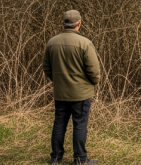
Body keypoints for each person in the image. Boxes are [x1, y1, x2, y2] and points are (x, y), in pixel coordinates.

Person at [43, 10, 101, 165]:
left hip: (61, 92)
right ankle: (80, 159)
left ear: (63, 24)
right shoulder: (85, 43)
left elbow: (47, 68)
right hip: (81, 93)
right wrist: (91, 83)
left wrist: (59, 82)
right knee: (80, 124)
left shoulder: (52, 42)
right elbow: (95, 72)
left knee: (59, 122)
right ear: (79, 24)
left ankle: (55, 157)